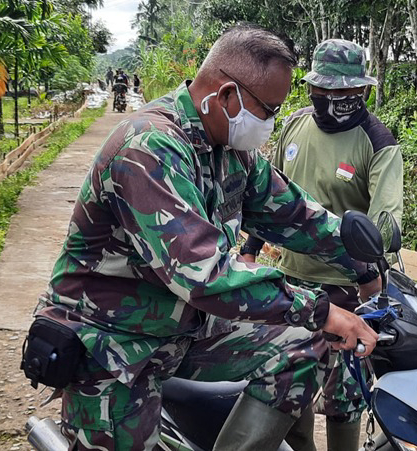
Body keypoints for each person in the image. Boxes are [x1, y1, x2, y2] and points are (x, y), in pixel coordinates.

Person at [41, 25, 381, 451]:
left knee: (302, 348)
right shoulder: (149, 147)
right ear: (226, 96)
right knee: (314, 324)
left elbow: (295, 214)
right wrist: (320, 309)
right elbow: (206, 274)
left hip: (183, 324)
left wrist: (364, 258)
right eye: (268, 109)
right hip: (115, 342)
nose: (272, 122)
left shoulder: (230, 149)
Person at [241, 38, 403, 450]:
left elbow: (382, 227)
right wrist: (249, 248)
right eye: (325, 90)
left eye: (345, 92)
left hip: (350, 288)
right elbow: (271, 196)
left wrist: (368, 269)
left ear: (362, 90)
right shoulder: (295, 124)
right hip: (289, 282)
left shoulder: (377, 142)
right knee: (285, 382)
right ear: (312, 88)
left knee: (343, 397)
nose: (333, 99)